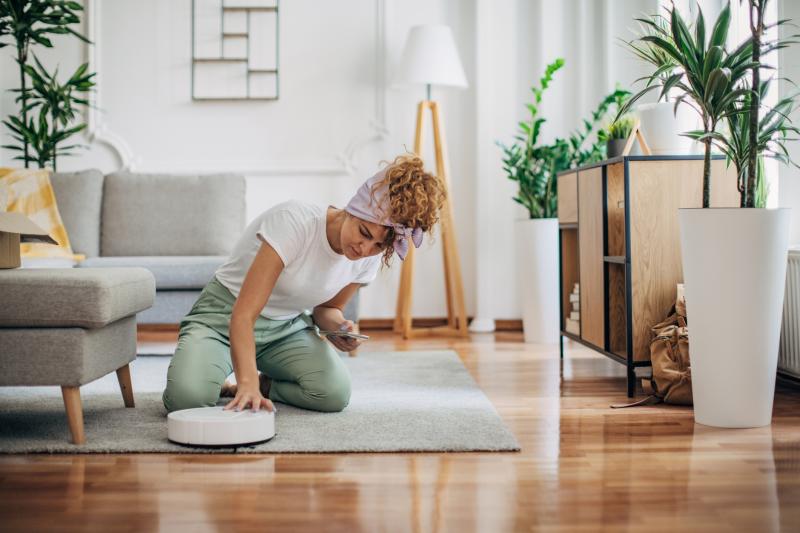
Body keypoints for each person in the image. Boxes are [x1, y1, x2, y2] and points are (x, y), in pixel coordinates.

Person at [161, 154, 446, 414]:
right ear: (354, 207)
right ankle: (233, 378)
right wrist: (246, 382)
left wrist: (338, 328)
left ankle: (267, 385)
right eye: (363, 232)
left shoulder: (368, 257)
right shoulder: (295, 222)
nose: (364, 247)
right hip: (223, 318)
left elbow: (328, 308)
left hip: (285, 327)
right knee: (186, 400)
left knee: (334, 393)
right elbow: (244, 314)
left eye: (377, 246)